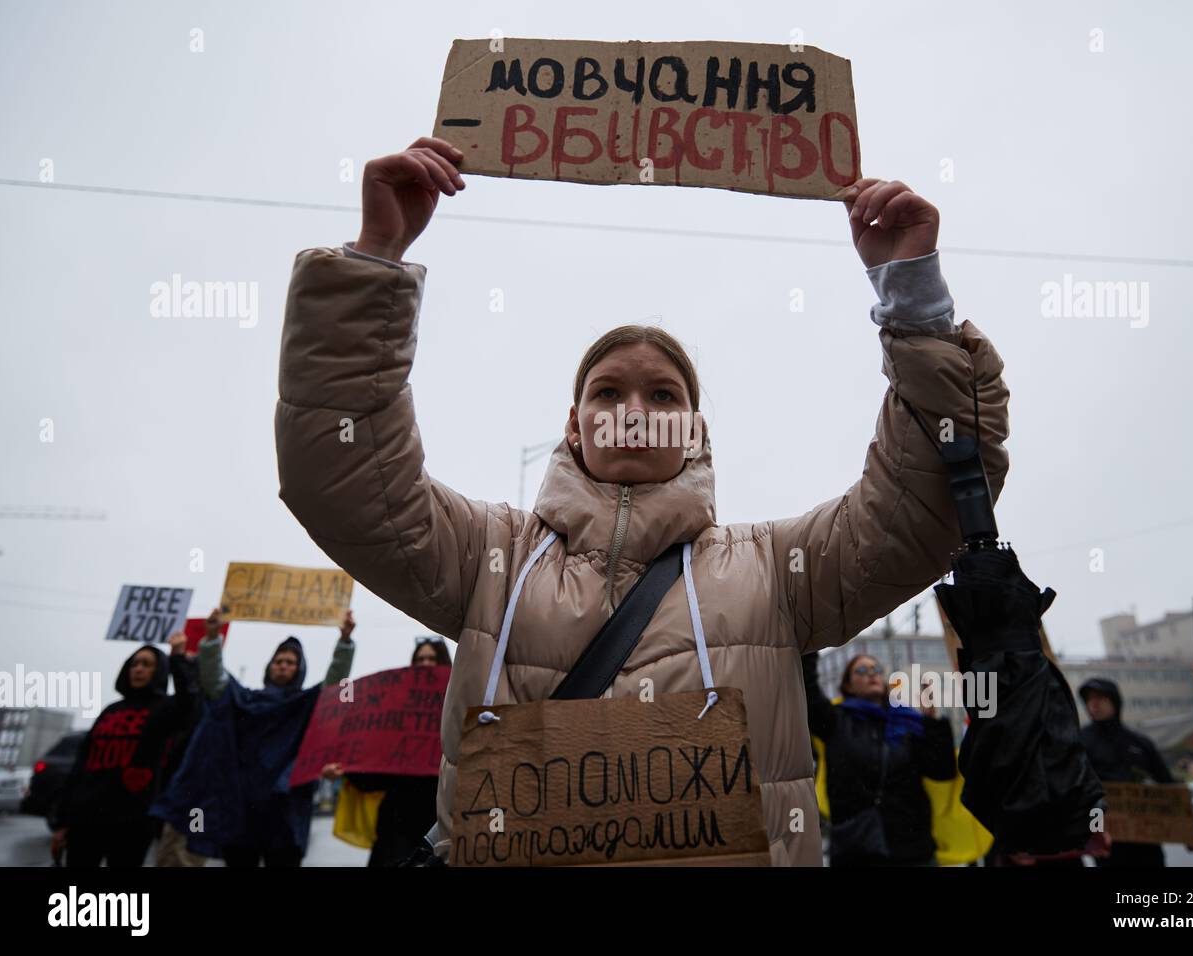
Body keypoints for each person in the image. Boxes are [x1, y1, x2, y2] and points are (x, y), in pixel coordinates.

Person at [274, 135, 1011, 866]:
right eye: (607, 392)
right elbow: (343, 480)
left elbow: (925, 504)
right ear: (574, 423)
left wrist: (913, 301)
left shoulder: (779, 568)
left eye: (662, 394)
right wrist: (375, 259)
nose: (633, 408)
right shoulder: (487, 557)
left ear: (693, 429)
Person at [150, 608, 356, 867]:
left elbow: (334, 684)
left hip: (285, 808)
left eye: (290, 662)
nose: (283, 665)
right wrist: (212, 639)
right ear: (269, 667)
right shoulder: (244, 699)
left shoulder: (306, 704)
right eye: (278, 661)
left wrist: (345, 642)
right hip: (240, 805)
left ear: (300, 669)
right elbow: (215, 682)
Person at [50, 633, 199, 867]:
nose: (138, 669)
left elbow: (189, 704)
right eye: (134, 664)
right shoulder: (110, 711)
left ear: (159, 671)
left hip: (132, 819)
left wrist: (178, 658)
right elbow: (81, 766)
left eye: (147, 664)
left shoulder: (164, 709)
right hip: (86, 817)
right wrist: (61, 822)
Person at [802, 652, 954, 865]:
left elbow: (942, 771)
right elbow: (808, 691)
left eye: (877, 669)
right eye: (862, 670)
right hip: (857, 848)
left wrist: (931, 721)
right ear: (848, 685)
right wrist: (810, 644)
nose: (871, 674)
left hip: (912, 848)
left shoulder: (907, 722)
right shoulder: (836, 721)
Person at [322, 636, 450, 866]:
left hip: (440, 824)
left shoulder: (459, 705)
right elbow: (376, 772)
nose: (426, 664)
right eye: (420, 659)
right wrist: (346, 767)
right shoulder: (395, 712)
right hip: (395, 827)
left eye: (433, 658)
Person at [1077, 677, 1180, 866]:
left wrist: (1186, 831)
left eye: (1100, 697)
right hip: (1105, 838)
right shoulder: (1079, 742)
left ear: (1115, 701)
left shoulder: (1140, 742)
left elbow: (1168, 786)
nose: (1094, 703)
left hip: (1145, 837)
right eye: (1089, 699)